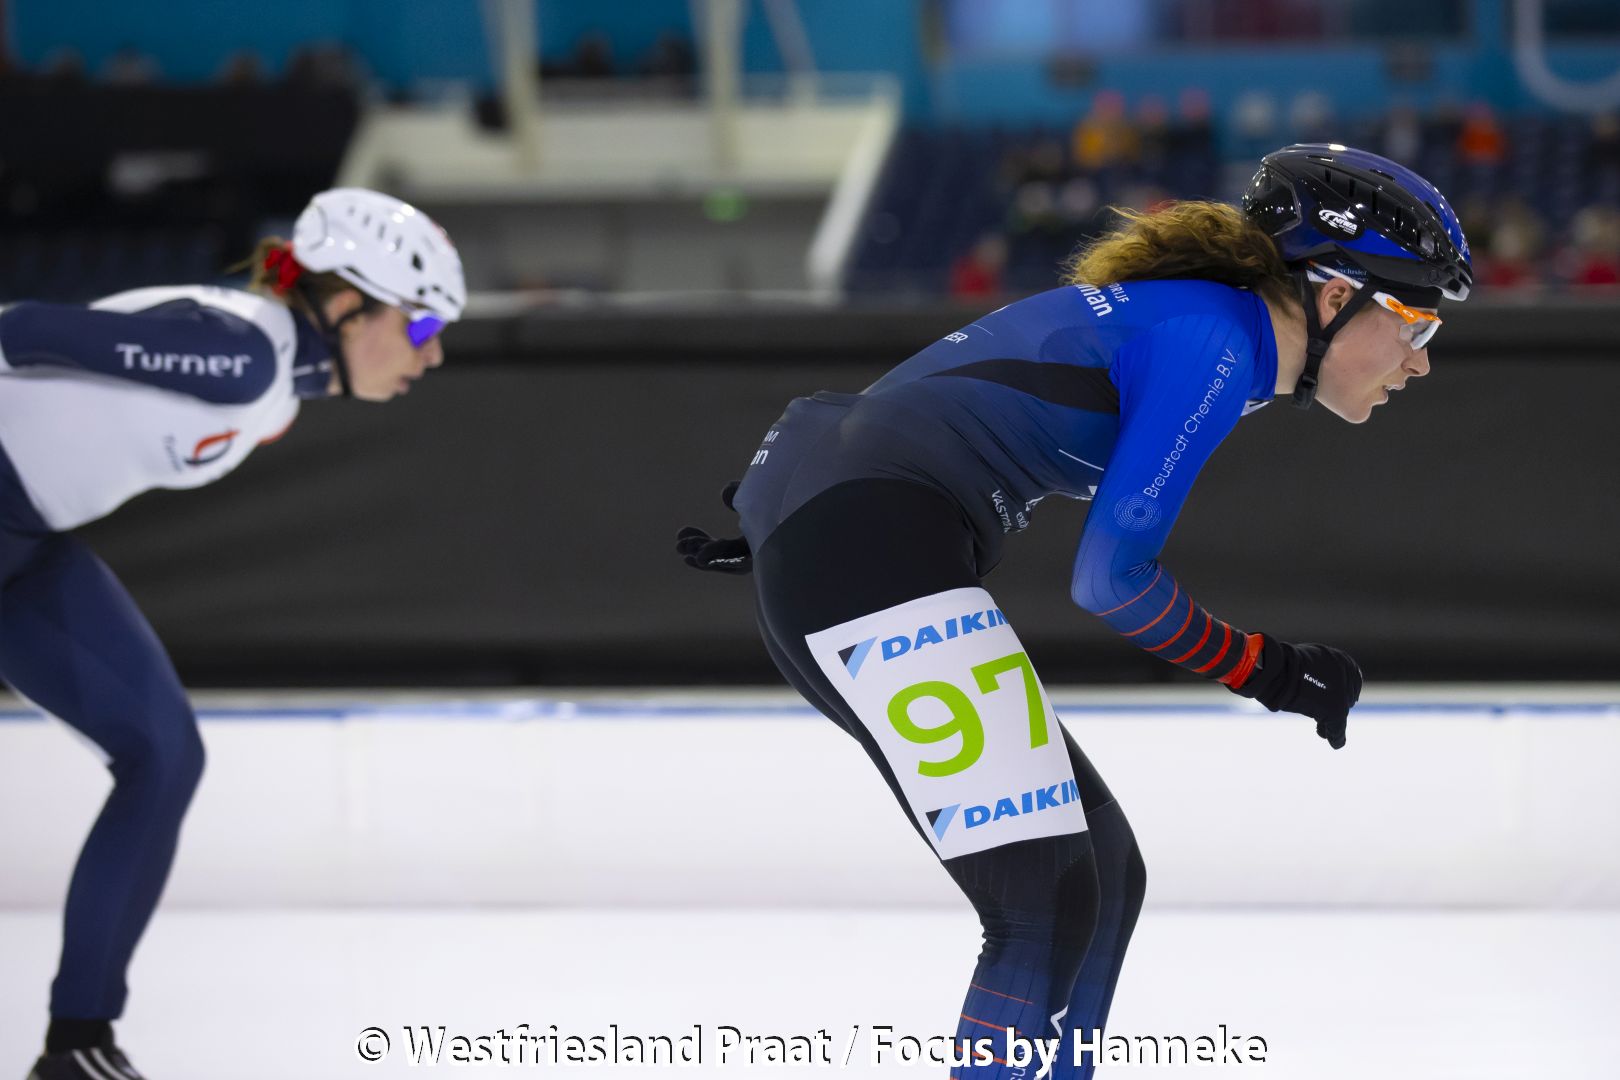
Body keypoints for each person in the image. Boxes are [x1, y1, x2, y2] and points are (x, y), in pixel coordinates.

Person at [678, 144, 1470, 1078]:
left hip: (851, 528)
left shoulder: (1205, 328)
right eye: (1417, 322)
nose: (1420, 363)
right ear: (1335, 294)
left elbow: (904, 408)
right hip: (860, 538)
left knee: (1103, 874)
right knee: (1041, 902)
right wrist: (1269, 668)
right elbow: (1111, 580)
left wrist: (796, 521)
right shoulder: (1215, 342)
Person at [0, 188, 464, 1080]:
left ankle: (79, 1043)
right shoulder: (240, 356)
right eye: (417, 328)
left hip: (30, 544)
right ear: (346, 304)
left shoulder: (274, 374)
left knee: (164, 755)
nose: (432, 353)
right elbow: (17, 328)